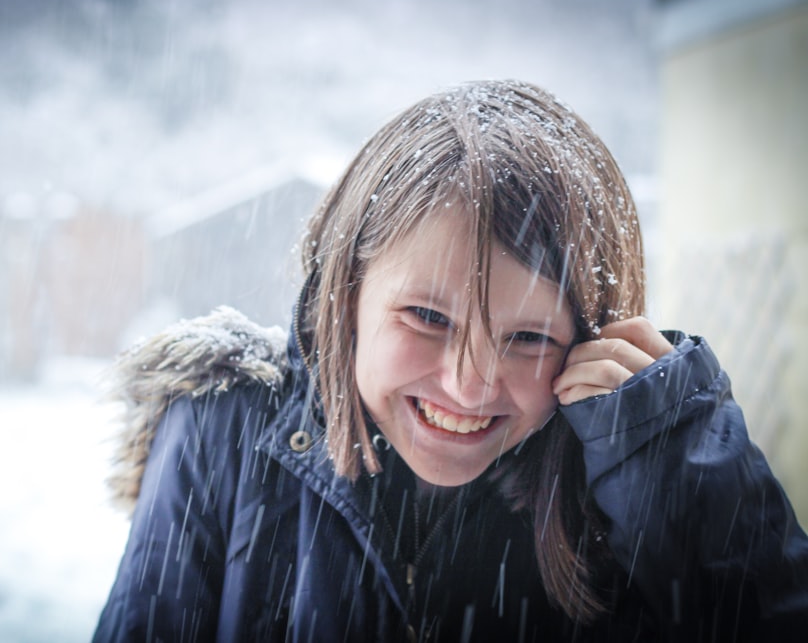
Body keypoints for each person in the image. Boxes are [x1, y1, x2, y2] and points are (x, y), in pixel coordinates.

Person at [92, 80, 808, 642]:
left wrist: (678, 463)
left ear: (594, 337)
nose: (468, 383)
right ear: (344, 296)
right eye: (427, 317)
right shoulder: (220, 431)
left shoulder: (621, 475)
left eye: (529, 337)